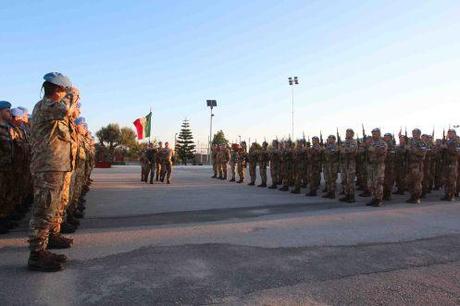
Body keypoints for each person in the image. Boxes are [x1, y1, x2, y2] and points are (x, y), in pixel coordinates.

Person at [28, 72, 77, 272]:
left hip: (56, 166)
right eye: (64, 90)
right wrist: (74, 94)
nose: (66, 94)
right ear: (58, 90)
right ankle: (36, 254)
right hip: (47, 167)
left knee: (51, 207)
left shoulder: (52, 108)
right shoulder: (46, 105)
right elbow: (66, 109)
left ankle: (48, 241)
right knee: (43, 209)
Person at [0, 101, 14, 234]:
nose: (10, 113)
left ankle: (4, 219)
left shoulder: (7, 128)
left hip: (7, 167)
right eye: (7, 111)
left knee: (5, 194)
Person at [365, 128, 388, 207]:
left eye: (375, 133)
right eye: (373, 133)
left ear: (379, 134)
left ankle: (378, 200)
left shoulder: (382, 143)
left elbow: (382, 151)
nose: (373, 135)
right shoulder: (371, 142)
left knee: (378, 183)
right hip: (371, 165)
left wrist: (373, 149)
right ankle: (374, 198)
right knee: (370, 183)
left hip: (379, 165)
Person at [406, 128, 427, 204]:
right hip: (410, 164)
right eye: (413, 133)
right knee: (409, 181)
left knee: (417, 181)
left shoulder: (422, 143)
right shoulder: (411, 142)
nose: (413, 134)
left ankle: (417, 197)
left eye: (415, 133)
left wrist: (411, 149)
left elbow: (422, 153)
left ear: (419, 134)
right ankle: (412, 195)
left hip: (417, 164)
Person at [440, 129, 460, 201]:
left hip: (452, 164)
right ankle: (446, 194)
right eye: (449, 134)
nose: (449, 135)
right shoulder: (447, 142)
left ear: (454, 134)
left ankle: (451, 195)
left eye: (451, 133)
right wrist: (442, 148)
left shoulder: (457, 142)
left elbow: (457, 152)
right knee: (446, 180)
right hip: (446, 163)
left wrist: (447, 147)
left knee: (451, 180)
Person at [339, 129, 358, 203]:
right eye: (346, 133)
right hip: (345, 163)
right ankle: (347, 195)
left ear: (352, 134)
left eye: (349, 133)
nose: (347, 134)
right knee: (345, 180)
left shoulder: (353, 142)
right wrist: (343, 150)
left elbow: (351, 150)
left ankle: (352, 196)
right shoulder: (345, 142)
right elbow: (341, 150)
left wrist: (344, 150)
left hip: (350, 164)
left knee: (350, 181)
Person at [382, 133, 396, 201]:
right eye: (384, 137)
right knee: (384, 180)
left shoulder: (391, 145)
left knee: (389, 181)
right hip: (385, 165)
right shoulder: (385, 144)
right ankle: (385, 194)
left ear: (390, 138)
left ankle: (388, 195)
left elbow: (391, 156)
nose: (384, 138)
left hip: (390, 166)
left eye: (386, 137)